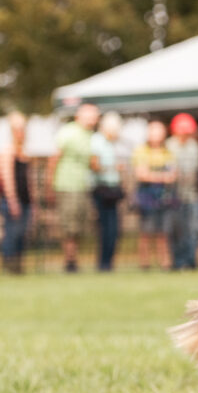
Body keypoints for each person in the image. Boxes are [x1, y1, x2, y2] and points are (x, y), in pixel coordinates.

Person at [47, 103, 99, 273]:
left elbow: (92, 163)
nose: (94, 119)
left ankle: (73, 260)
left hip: (82, 186)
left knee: (79, 227)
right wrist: (50, 185)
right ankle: (69, 262)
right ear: (80, 116)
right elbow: (54, 159)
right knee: (69, 226)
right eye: (91, 116)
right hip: (66, 186)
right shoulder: (68, 132)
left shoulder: (90, 135)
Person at [133, 120, 176, 270]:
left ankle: (165, 262)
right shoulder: (141, 151)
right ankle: (144, 263)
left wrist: (154, 175)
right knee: (146, 231)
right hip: (147, 196)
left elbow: (173, 174)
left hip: (164, 196)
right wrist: (163, 177)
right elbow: (142, 175)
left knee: (163, 231)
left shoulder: (167, 151)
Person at [0, 112, 33, 274]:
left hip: (25, 201)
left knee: (21, 235)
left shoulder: (24, 152)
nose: (21, 133)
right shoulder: (7, 151)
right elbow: (7, 179)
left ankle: (18, 267)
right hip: (12, 201)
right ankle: (9, 267)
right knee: (11, 234)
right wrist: (12, 201)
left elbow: (28, 181)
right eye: (18, 130)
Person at [89, 112, 125, 272]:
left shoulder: (111, 143)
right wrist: (113, 168)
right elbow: (94, 165)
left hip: (113, 189)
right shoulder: (97, 141)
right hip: (102, 190)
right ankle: (103, 263)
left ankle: (108, 263)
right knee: (106, 228)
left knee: (114, 229)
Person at [167, 113, 198, 270]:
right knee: (176, 230)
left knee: (192, 229)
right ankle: (178, 261)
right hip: (173, 195)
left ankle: (191, 261)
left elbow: (196, 170)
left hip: (192, 194)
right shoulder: (168, 146)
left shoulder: (194, 146)